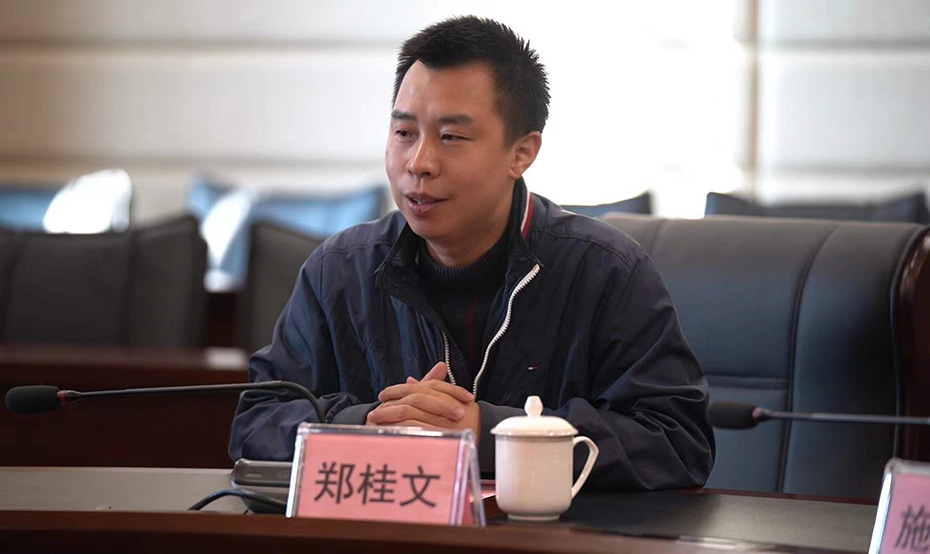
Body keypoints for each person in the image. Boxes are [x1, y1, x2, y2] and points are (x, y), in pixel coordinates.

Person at [229, 15, 714, 490]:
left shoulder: (605, 271)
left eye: (451, 137)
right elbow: (256, 422)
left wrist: (490, 434)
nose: (419, 163)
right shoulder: (339, 269)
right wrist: (369, 425)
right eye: (404, 133)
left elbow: (677, 440)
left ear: (521, 153)